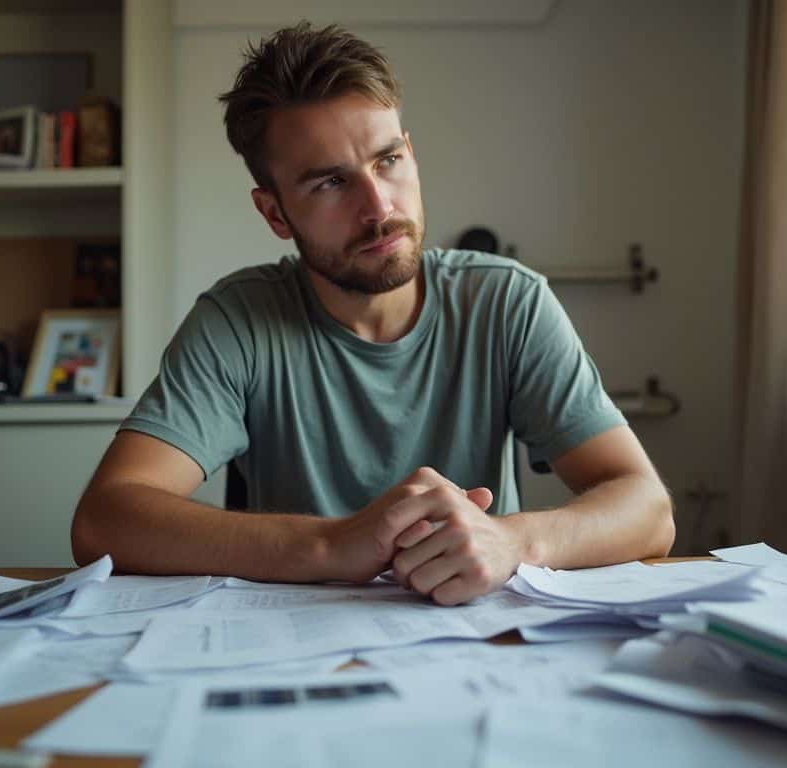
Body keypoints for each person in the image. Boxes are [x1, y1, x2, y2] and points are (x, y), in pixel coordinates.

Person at [71, 22, 674, 605]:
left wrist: (512, 540)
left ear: (409, 153)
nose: (379, 207)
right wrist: (331, 544)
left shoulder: (508, 302)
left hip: (478, 648)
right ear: (276, 214)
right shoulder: (238, 321)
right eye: (331, 183)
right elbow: (105, 518)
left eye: (388, 160)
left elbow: (647, 507)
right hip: (286, 652)